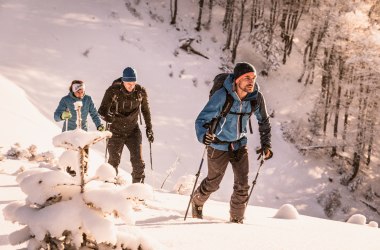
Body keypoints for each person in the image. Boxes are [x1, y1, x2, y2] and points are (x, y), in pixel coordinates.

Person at [192, 62, 273, 223]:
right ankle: (197, 201)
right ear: (237, 80)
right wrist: (204, 136)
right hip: (218, 144)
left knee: (242, 186)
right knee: (213, 183)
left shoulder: (256, 97)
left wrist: (266, 144)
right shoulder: (223, 96)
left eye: (253, 78)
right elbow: (202, 120)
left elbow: (264, 121)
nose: (251, 81)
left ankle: (236, 221)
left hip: (239, 144)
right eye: (247, 78)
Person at [98, 67, 153, 183]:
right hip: (115, 131)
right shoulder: (113, 91)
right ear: (123, 81)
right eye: (128, 83)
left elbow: (146, 110)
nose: (131, 86)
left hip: (133, 131)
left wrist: (149, 128)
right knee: (113, 162)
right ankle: (108, 189)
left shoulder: (140, 92)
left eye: (133, 83)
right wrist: (108, 117)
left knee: (138, 163)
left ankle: (137, 191)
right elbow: (101, 111)